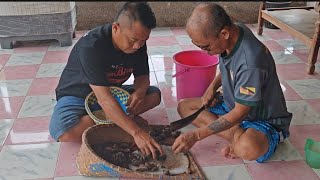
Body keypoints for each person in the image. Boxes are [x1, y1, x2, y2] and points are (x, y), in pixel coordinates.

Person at [172, 3, 293, 163]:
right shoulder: (236, 30)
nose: (204, 52)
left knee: (247, 149)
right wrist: (212, 87)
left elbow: (241, 112)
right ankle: (235, 133)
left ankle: (239, 135)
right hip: (233, 103)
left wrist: (197, 135)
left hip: (262, 119)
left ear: (224, 33)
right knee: (184, 106)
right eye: (199, 46)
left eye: (206, 47)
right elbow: (228, 65)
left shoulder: (251, 63)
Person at [49, 2, 164, 159]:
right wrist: (136, 132)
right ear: (116, 27)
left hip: (112, 93)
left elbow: (142, 77)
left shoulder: (138, 42)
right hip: (78, 95)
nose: (137, 45)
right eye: (132, 40)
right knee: (63, 130)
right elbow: (104, 99)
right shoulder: (91, 46)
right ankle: (120, 122)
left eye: (143, 40)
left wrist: (140, 91)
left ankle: (113, 121)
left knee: (154, 95)